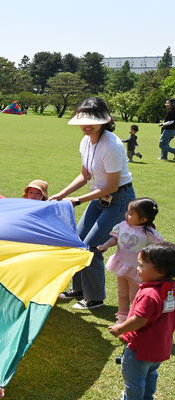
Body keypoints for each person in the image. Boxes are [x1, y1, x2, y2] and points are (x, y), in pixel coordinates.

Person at [51, 97, 135, 310]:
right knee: (76, 241)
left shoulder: (112, 144)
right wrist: (60, 195)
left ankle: (95, 298)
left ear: (104, 120)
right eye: (83, 120)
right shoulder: (85, 141)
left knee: (91, 246)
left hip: (119, 198)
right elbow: (85, 175)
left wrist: (78, 199)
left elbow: (112, 186)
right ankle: (79, 290)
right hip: (99, 197)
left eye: (93, 120)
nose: (87, 125)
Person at [102, 242, 175, 400]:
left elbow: (139, 320)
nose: (137, 268)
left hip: (141, 347)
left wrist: (120, 328)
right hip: (161, 344)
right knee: (150, 373)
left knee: (134, 377)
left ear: (160, 271)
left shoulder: (150, 294)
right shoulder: (171, 289)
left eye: (141, 265)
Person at [97, 198, 164, 322]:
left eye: (131, 213)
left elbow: (160, 246)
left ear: (143, 219)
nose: (127, 215)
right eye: (127, 212)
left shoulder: (149, 233)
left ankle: (135, 319)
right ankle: (122, 317)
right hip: (121, 264)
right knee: (122, 293)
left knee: (134, 296)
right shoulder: (122, 225)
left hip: (137, 269)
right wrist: (106, 245)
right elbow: (115, 239)